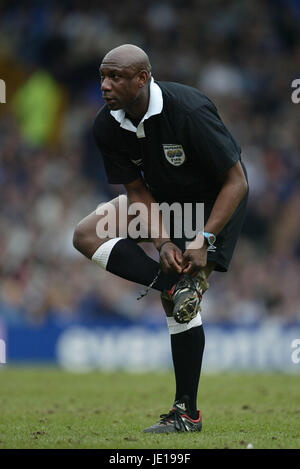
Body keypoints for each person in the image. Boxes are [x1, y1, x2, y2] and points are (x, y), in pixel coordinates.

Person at [73, 44, 248, 433]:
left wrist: (202, 238)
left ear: (142, 78)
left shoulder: (188, 109)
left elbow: (237, 181)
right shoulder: (107, 124)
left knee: (178, 310)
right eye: (103, 76)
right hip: (160, 201)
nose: (105, 85)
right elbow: (136, 192)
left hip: (211, 205)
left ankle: (187, 412)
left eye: (115, 76)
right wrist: (164, 242)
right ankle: (171, 284)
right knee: (85, 233)